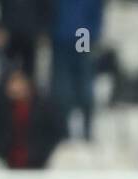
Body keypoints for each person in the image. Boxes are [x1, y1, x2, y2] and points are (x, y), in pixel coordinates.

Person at [50, 0, 104, 139]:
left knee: (84, 83)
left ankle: (87, 129)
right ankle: (64, 131)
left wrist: (94, 33)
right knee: (62, 87)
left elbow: (96, 11)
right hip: (60, 38)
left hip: (82, 34)